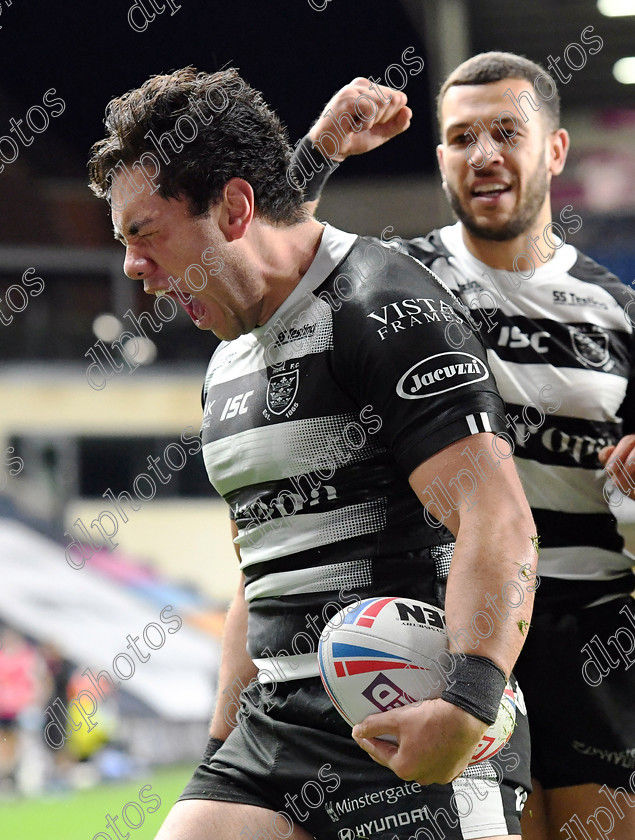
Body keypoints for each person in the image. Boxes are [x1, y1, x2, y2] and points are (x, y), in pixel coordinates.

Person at [88, 66, 538, 840]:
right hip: (272, 732)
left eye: (142, 232)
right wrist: (222, 746)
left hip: (407, 709)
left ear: (233, 207)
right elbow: (256, 567)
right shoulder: (228, 355)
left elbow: (496, 521)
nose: (132, 266)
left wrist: (466, 703)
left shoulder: (384, 307)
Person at [292, 53, 635, 840]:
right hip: (448, 630)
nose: (482, 154)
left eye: (506, 132)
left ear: (554, 149)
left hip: (597, 634)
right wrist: (317, 153)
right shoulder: (395, 278)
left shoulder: (618, 315)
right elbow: (264, 258)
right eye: (460, 137)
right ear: (440, 157)